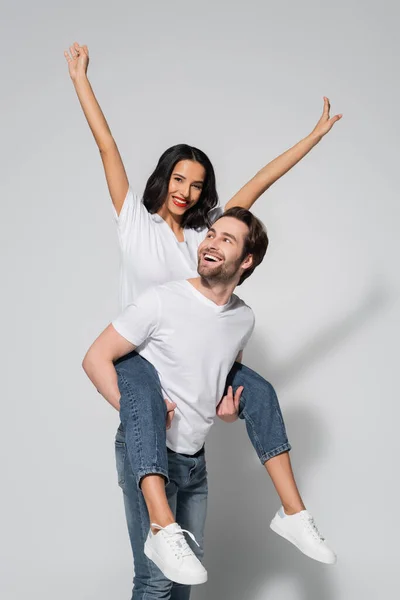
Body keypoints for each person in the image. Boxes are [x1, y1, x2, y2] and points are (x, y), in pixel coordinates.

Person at [65, 41, 340, 597]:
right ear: (164, 177)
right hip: (143, 358)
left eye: (196, 184)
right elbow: (107, 145)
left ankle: (293, 512)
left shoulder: (204, 239)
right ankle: (163, 528)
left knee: (259, 390)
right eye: (179, 180)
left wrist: (310, 141)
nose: (187, 192)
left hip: (194, 363)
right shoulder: (133, 224)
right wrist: (80, 80)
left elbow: (257, 188)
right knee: (159, 579)